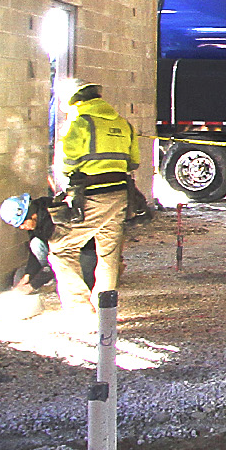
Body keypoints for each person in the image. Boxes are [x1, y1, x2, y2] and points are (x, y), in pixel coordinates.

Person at [49, 82, 145, 311]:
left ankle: (79, 307)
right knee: (109, 254)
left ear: (76, 101)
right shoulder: (123, 123)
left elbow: (67, 163)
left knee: (61, 248)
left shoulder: (79, 122)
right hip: (120, 194)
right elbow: (134, 162)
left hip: (92, 196)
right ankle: (105, 310)